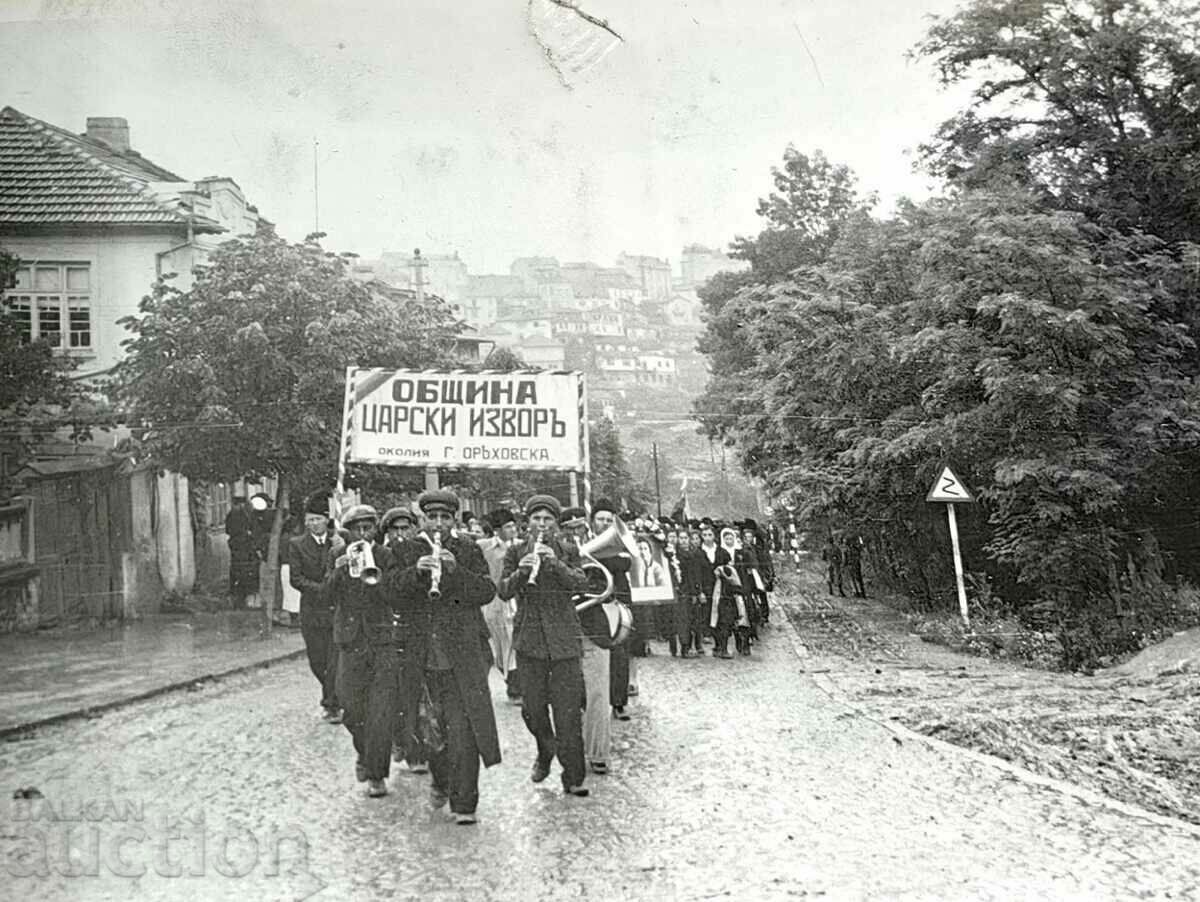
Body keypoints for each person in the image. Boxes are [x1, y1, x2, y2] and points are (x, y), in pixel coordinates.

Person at [391, 490, 501, 825]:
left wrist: (455, 572)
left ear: (453, 519)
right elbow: (391, 592)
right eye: (432, 518)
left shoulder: (468, 548)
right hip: (422, 657)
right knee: (431, 732)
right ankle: (441, 781)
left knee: (464, 730)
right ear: (423, 519)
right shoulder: (405, 549)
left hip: (463, 655)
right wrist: (415, 573)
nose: (438, 524)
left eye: (445, 518)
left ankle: (465, 803)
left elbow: (486, 591)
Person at [499, 494, 591, 797]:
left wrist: (555, 565)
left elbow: (582, 584)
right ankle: (545, 749)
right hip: (530, 641)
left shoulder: (567, 549)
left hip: (564, 641)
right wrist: (523, 571)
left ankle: (574, 776)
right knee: (533, 711)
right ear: (527, 523)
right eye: (536, 519)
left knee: (567, 714)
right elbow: (502, 590)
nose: (542, 524)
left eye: (547, 519)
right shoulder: (515, 551)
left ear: (555, 523)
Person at [326, 504, 398, 797]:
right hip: (351, 640)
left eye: (368, 528)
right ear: (349, 532)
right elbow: (326, 596)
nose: (363, 534)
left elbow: (393, 594)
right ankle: (365, 754)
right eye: (357, 529)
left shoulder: (385, 556)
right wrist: (339, 571)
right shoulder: (336, 556)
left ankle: (377, 775)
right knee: (352, 709)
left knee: (380, 711)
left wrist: (378, 575)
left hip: (382, 641)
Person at [287, 497, 343, 722]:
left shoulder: (338, 542)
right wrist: (321, 589)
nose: (313, 524)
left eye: (318, 519)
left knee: (334, 659)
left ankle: (331, 704)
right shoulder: (297, 544)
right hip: (312, 610)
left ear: (327, 520)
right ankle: (333, 696)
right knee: (317, 661)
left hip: (336, 610)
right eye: (309, 520)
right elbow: (296, 578)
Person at [591, 500, 634, 721]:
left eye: (609, 520)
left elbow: (625, 564)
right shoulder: (587, 543)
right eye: (601, 519)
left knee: (619, 654)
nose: (605, 523)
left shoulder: (621, 542)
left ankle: (619, 702)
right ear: (593, 521)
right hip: (594, 605)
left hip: (617, 602)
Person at [478, 508, 522, 705]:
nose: (513, 529)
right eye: (508, 526)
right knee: (500, 645)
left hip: (516, 600)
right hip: (495, 603)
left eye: (514, 525)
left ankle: (516, 687)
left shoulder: (523, 546)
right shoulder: (485, 547)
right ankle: (508, 679)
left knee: (514, 644)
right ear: (497, 530)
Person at [225, 496, 259, 608]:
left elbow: (227, 530)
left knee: (237, 571)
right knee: (247, 571)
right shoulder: (248, 514)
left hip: (238, 547)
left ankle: (238, 598)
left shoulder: (232, 514)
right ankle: (246, 598)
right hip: (244, 547)